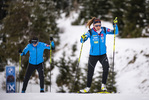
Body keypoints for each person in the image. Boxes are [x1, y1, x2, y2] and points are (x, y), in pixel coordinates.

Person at [79, 17, 118, 93]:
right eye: (96, 25)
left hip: (103, 54)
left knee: (106, 67)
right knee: (90, 72)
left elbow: (115, 32)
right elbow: (82, 40)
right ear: (93, 26)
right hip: (93, 55)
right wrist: (82, 38)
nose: (98, 27)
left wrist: (115, 25)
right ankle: (87, 88)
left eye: (99, 25)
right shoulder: (90, 32)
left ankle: (103, 86)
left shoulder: (104, 30)